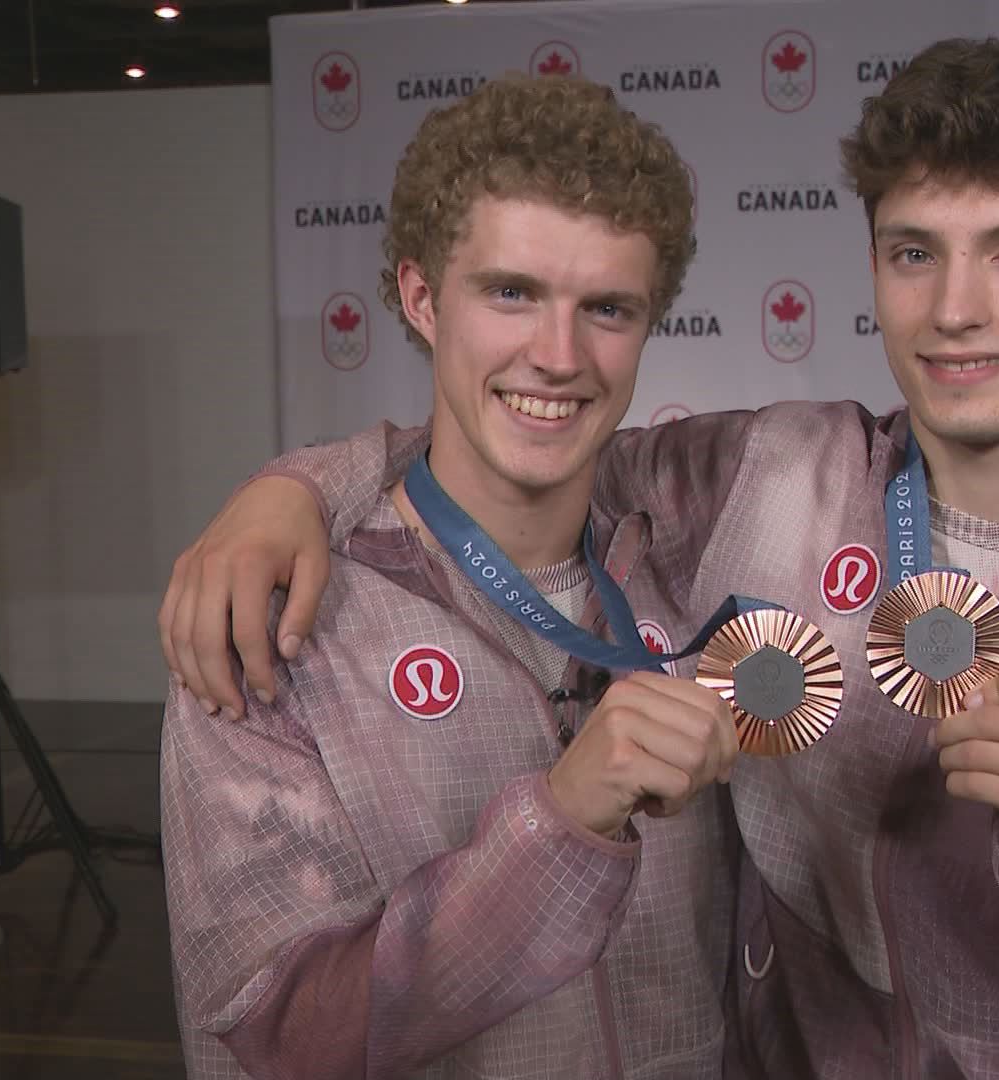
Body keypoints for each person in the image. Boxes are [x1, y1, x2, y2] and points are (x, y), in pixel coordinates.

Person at [163, 39, 999, 1078]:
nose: (957, 307)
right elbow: (520, 445)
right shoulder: (766, 477)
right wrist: (288, 489)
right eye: (916, 252)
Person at [157, 73, 752, 1079]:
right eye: (512, 293)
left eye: (606, 307)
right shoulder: (271, 617)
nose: (558, 356)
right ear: (422, 297)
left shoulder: (694, 560)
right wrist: (559, 825)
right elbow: (279, 1037)